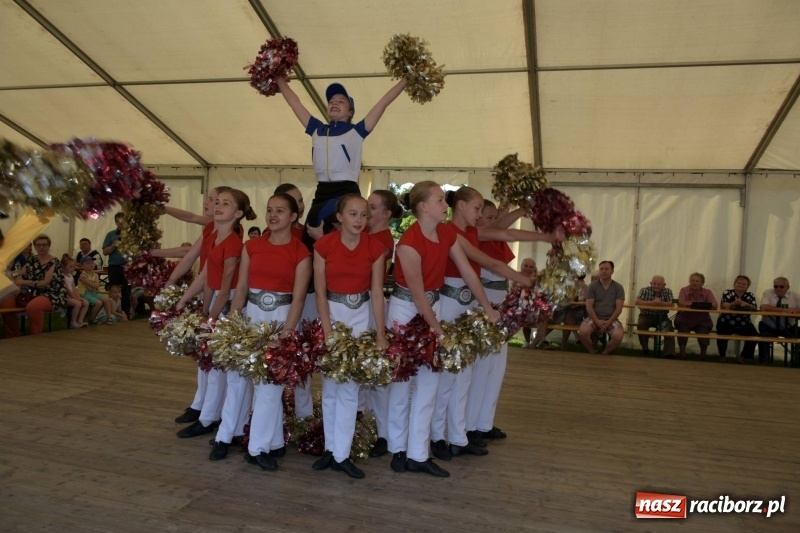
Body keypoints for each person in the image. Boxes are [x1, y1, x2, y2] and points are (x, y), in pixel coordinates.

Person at [384, 181, 514, 478]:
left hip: (434, 306)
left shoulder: (446, 233)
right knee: (404, 382)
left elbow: (469, 272)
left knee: (430, 382)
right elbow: (416, 294)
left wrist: (489, 308)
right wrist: (439, 331)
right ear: (423, 207)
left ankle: (418, 453)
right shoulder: (408, 242)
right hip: (406, 311)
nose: (446, 205)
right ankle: (398, 449)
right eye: (441, 200)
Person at [431, 188, 547, 462]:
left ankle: (458, 435)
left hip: (468, 304)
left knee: (466, 375)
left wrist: (546, 237)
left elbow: (507, 234)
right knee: (449, 374)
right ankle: (439, 435)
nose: (482, 215)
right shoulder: (450, 232)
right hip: (449, 302)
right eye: (478, 208)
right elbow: (492, 261)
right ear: (460, 207)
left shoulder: (471, 232)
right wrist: (529, 282)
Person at [276, 75, 408, 249]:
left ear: (350, 111)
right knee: (308, 236)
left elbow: (383, 102)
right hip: (322, 190)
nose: (335, 103)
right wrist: (279, 80)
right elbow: (295, 103)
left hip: (345, 191)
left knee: (329, 229)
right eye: (331, 101)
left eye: (341, 101)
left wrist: (405, 80)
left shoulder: (357, 132)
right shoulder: (316, 128)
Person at [229, 192, 311, 471]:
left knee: (271, 385)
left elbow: (299, 297)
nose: (273, 215)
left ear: (293, 216)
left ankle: (263, 445)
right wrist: (233, 319)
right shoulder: (251, 246)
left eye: (280, 211)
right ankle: (266, 444)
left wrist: (288, 331)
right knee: (265, 386)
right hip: (252, 318)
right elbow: (241, 287)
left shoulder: (301, 252)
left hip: (281, 321)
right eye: (269, 210)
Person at [312, 194, 388, 479]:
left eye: (364, 215)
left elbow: (378, 293)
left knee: (351, 387)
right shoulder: (323, 246)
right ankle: (332, 450)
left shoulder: (376, 248)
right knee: (330, 386)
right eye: (353, 214)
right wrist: (327, 328)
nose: (359, 220)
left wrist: (380, 334)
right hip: (332, 314)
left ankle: (341, 453)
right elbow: (320, 291)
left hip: (361, 316)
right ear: (340, 217)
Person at [177, 189, 255, 441]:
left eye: (226, 204)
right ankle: (209, 415)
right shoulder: (212, 236)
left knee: (218, 367)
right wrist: (198, 307)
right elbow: (208, 279)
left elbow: (225, 287)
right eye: (218, 202)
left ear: (239, 213)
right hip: (215, 306)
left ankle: (210, 417)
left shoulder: (233, 243)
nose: (218, 206)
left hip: (229, 305)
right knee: (211, 366)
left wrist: (210, 318)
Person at [364, 189, 403, 459]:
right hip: (356, 303)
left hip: (370, 304)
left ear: (387, 215)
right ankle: (366, 426)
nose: (367, 211)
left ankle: (384, 433)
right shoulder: (366, 235)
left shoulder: (383, 240)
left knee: (376, 374)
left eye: (373, 207)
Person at [13, 234, 67, 335]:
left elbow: (45, 283)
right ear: (35, 246)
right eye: (38, 245)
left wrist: (23, 282)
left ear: (49, 246)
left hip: (52, 294)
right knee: (9, 302)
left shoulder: (54, 262)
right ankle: (13, 334)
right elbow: (19, 273)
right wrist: (17, 278)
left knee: (33, 307)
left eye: (44, 245)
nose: (41, 247)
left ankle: (36, 335)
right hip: (33, 292)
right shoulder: (33, 259)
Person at [578, 260, 625, 355]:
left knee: (618, 335)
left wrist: (609, 322)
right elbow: (589, 306)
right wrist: (597, 321)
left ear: (612, 271)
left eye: (607, 269)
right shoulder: (592, 286)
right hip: (594, 317)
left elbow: (619, 308)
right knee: (583, 332)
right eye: (601, 269)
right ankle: (592, 351)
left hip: (611, 318)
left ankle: (605, 353)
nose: (603, 271)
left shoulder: (618, 287)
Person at [674, 272, 718, 359]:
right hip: (685, 318)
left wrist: (692, 304)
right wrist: (698, 304)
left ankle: (703, 355)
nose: (694, 282)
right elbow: (680, 302)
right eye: (692, 280)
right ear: (689, 281)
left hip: (702, 319)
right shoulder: (684, 290)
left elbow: (715, 305)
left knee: (704, 329)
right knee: (682, 328)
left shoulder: (707, 292)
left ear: (702, 283)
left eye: (697, 281)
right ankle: (682, 353)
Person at [716, 275, 759, 363]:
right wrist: (733, 303)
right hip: (726, 322)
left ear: (747, 286)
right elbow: (724, 305)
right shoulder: (727, 292)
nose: (741, 285)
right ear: (734, 284)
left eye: (744, 284)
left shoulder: (750, 295)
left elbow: (754, 307)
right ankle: (722, 356)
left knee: (754, 336)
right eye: (738, 283)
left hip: (744, 323)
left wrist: (745, 304)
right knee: (721, 334)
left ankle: (743, 356)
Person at [758, 277, 800, 363]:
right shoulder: (768, 292)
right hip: (769, 326)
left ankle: (797, 361)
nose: (778, 289)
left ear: (787, 287)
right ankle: (764, 362)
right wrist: (784, 310)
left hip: (789, 327)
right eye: (775, 286)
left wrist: (796, 310)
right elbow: (763, 307)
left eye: (781, 287)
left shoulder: (795, 295)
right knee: (763, 338)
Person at [635, 275, 676, 357]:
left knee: (669, 329)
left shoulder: (668, 291)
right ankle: (645, 349)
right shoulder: (645, 290)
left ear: (664, 285)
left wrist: (661, 303)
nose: (656, 286)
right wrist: (652, 303)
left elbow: (672, 304)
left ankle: (669, 353)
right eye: (654, 284)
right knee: (641, 324)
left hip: (662, 317)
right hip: (646, 316)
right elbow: (637, 302)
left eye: (659, 284)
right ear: (651, 283)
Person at [102, 212, 130, 318]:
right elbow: (104, 252)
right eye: (118, 221)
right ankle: (113, 314)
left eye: (123, 220)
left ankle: (126, 315)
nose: (121, 223)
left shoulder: (131, 234)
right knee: (114, 291)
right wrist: (113, 245)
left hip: (127, 266)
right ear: (115, 222)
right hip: (114, 266)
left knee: (126, 291)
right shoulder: (110, 234)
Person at [77, 256, 114, 325]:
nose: (91, 264)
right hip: (83, 293)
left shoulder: (95, 275)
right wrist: (93, 284)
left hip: (91, 293)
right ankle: (92, 318)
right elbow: (90, 288)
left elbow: (96, 286)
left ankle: (109, 317)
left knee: (106, 299)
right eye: (88, 263)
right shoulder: (83, 275)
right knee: (98, 303)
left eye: (92, 262)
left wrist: (89, 283)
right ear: (82, 265)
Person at [61, 257, 89, 328]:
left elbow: (74, 288)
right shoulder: (62, 277)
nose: (72, 269)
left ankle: (80, 320)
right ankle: (73, 322)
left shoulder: (71, 276)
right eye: (70, 267)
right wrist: (76, 299)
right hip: (65, 296)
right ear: (63, 267)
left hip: (71, 296)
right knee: (78, 304)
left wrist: (78, 297)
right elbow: (67, 290)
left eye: (73, 267)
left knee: (86, 302)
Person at [518, 258, 538, 347]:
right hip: (519, 308)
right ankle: (530, 341)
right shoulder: (514, 276)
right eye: (526, 266)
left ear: (534, 269)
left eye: (531, 267)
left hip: (535, 308)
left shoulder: (537, 281)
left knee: (545, 318)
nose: (528, 268)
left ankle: (537, 340)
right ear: (521, 266)